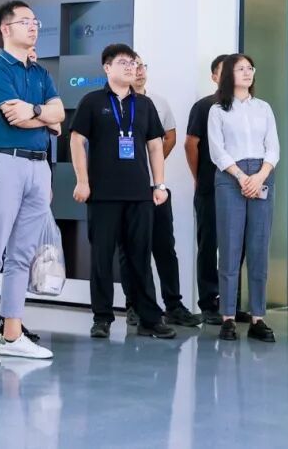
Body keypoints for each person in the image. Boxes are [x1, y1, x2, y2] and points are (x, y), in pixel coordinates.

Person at [0, 0, 63, 366]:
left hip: (38, 166)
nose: (33, 26)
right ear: (5, 29)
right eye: (25, 21)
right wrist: (44, 117)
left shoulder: (41, 72)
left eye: (35, 21)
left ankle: (12, 334)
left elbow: (58, 115)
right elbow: (14, 119)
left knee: (22, 255)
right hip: (4, 163)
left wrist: (36, 110)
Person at [71, 43, 177, 341]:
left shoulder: (144, 105)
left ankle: (149, 318)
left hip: (139, 193)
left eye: (133, 63)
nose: (131, 67)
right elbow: (77, 140)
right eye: (123, 62)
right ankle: (102, 318)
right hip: (103, 194)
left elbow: (155, 146)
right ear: (107, 68)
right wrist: (82, 181)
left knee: (139, 257)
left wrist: (159, 184)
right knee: (102, 258)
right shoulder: (92, 101)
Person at [120, 59, 202, 328]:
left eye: (142, 66)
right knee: (130, 249)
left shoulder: (158, 102)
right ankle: (134, 305)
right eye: (132, 66)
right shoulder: (115, 104)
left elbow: (171, 136)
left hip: (156, 186)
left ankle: (174, 305)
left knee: (165, 247)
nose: (138, 71)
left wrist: (153, 168)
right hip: (126, 188)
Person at [207, 54, 279, 342]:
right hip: (230, 177)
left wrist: (259, 176)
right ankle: (228, 317)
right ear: (228, 75)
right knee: (230, 248)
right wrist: (241, 176)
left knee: (259, 248)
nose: (248, 73)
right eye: (241, 69)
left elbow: (273, 147)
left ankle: (258, 318)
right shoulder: (217, 110)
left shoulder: (264, 108)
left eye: (250, 68)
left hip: (262, 174)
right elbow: (217, 150)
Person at [184, 54, 228, 325]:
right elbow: (190, 144)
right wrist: (198, 177)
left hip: (242, 188)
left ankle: (230, 302)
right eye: (225, 70)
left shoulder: (250, 107)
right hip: (210, 185)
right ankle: (209, 303)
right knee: (209, 244)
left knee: (237, 245)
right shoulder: (204, 106)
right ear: (214, 77)